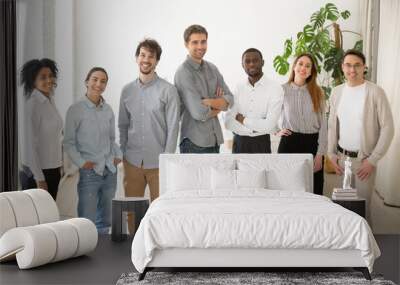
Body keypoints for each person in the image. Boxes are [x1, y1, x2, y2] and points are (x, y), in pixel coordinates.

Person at [119, 39, 180, 234]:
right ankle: (134, 249)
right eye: (143, 55)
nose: (146, 60)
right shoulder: (127, 91)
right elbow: (122, 124)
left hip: (159, 163)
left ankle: (159, 246)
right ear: (137, 58)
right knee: (132, 211)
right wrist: (123, 154)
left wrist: (167, 159)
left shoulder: (168, 90)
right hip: (133, 161)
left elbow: (173, 127)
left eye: (151, 56)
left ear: (157, 61)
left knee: (161, 211)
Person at [328, 49, 394, 220]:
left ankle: (366, 246)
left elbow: (388, 127)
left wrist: (372, 160)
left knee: (362, 209)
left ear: (364, 67)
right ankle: (344, 245)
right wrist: (331, 154)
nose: (352, 70)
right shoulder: (336, 92)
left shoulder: (375, 92)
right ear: (342, 67)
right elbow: (332, 126)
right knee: (342, 209)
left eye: (357, 65)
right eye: (348, 65)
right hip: (342, 161)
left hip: (364, 161)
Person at [63, 67, 122, 234]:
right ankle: (86, 251)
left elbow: (111, 140)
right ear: (86, 82)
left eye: (103, 81)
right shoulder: (75, 110)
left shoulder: (108, 110)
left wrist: (118, 155)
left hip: (110, 170)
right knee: (86, 221)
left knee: (106, 220)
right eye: (95, 79)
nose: (99, 84)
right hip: (90, 171)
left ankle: (101, 254)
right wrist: (83, 163)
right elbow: (68, 143)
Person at [175, 24, 234, 153]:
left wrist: (209, 102)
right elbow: (199, 113)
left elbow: (230, 99)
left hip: (214, 140)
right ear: (186, 44)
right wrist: (220, 104)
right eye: (195, 42)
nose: (200, 46)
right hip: (193, 142)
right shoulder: (183, 72)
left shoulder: (212, 69)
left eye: (203, 42)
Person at [275, 53, 327, 195]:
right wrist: (276, 131)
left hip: (312, 144)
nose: (303, 68)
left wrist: (320, 154)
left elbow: (324, 126)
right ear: (294, 67)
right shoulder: (281, 90)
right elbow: (268, 116)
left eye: (308, 66)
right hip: (289, 143)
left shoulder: (318, 92)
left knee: (314, 190)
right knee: (286, 189)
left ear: (311, 71)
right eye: (300, 64)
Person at [224, 48, 283, 153]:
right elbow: (228, 122)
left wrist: (242, 120)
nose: (251, 64)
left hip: (261, 143)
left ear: (262, 63)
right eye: (247, 61)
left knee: (262, 170)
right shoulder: (238, 87)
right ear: (242, 65)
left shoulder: (275, 88)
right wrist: (257, 128)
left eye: (255, 60)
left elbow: (270, 125)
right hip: (239, 143)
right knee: (238, 170)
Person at [20, 58, 63, 200]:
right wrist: (39, 179)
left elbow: (55, 136)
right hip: (36, 173)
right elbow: (30, 146)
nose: (49, 80)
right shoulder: (32, 105)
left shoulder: (50, 100)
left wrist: (60, 166)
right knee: (37, 218)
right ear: (33, 81)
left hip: (53, 170)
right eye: (43, 77)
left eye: (50, 76)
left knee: (48, 217)